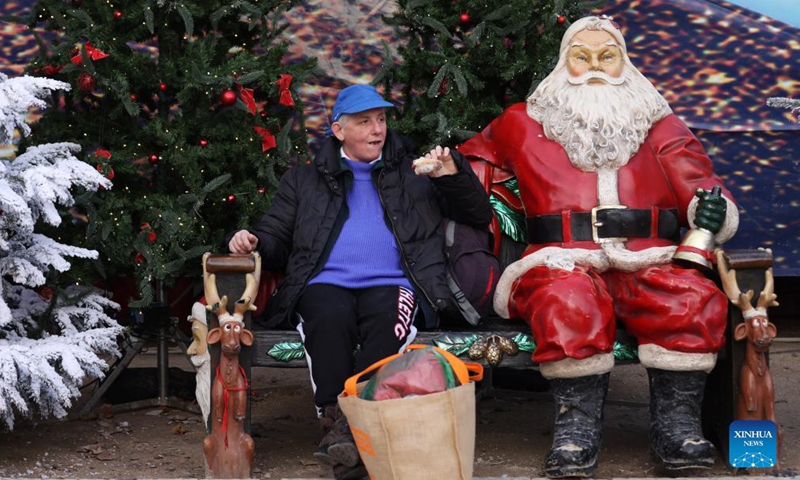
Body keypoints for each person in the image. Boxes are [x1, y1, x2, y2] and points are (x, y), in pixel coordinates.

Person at [458, 15, 738, 478]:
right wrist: (447, 176)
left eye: (606, 57)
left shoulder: (659, 124)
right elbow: (474, 160)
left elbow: (699, 184)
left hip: (648, 256)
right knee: (567, 302)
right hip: (560, 258)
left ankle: (677, 425)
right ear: (563, 61)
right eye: (580, 56)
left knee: (689, 298)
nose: (593, 67)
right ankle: (576, 429)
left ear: (623, 62)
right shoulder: (524, 122)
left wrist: (710, 212)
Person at [227, 84, 492, 479]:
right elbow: (277, 235)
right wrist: (252, 240)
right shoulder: (305, 180)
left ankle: (345, 433)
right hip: (324, 283)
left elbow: (477, 215)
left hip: (398, 283)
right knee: (327, 317)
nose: (377, 129)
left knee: (387, 321)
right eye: (364, 122)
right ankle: (350, 430)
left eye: (382, 120)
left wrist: (452, 175)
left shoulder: (415, 173)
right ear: (338, 131)